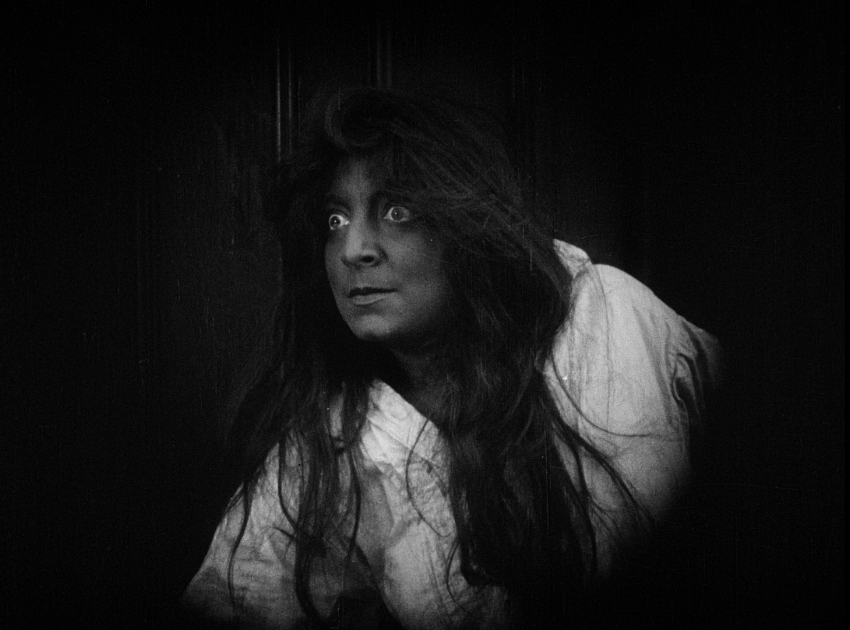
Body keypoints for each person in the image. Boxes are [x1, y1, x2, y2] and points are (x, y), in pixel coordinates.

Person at [181, 87, 722, 629]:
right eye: (335, 220)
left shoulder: (601, 319)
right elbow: (232, 595)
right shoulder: (335, 429)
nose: (353, 250)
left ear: (467, 229)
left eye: (397, 211)